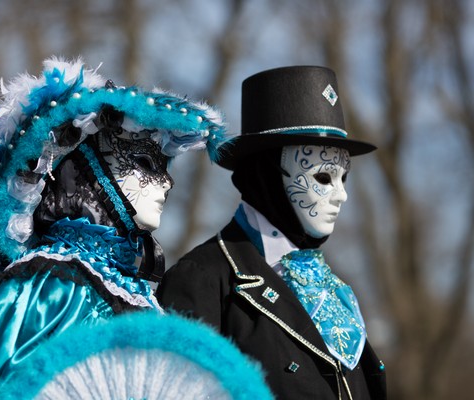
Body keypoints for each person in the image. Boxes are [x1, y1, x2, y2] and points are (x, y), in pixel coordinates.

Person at [0, 57, 257, 398]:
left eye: (165, 168)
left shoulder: (138, 294)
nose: (166, 183)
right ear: (87, 170)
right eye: (144, 163)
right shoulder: (47, 288)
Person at [157, 66, 387, 399]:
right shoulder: (204, 280)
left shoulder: (336, 291)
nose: (341, 195)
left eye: (343, 177)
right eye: (324, 177)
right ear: (267, 175)